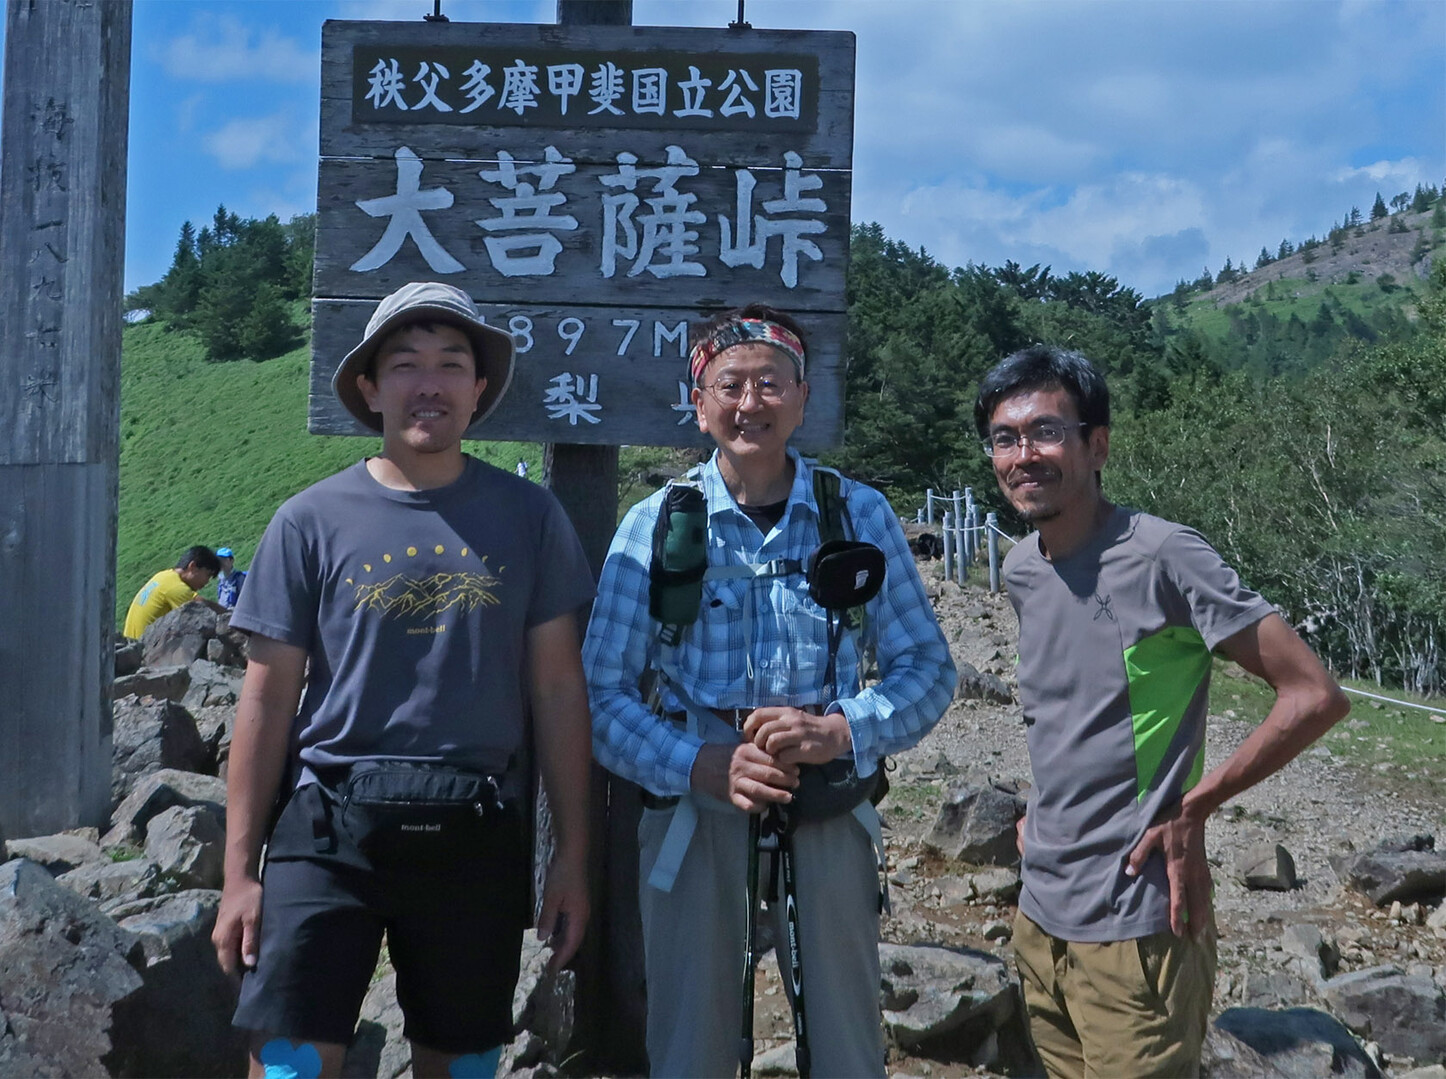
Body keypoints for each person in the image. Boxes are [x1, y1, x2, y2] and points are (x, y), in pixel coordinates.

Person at [212, 281, 595, 1079]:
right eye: (406, 364)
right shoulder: (307, 520)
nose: (431, 383)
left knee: (461, 1066)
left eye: (452, 364)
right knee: (288, 1064)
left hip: (475, 832)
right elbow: (267, 700)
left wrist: (570, 857)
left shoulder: (530, 517)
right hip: (327, 828)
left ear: (479, 388)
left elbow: (559, 693)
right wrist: (239, 873)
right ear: (370, 387)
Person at [585, 303, 957, 1077]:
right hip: (694, 807)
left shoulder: (856, 513)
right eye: (730, 385)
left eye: (770, 383)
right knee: (689, 1046)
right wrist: (697, 762)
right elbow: (601, 695)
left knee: (847, 1045)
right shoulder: (655, 525)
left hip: (827, 798)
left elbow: (927, 667)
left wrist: (841, 729)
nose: (750, 402)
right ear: (700, 404)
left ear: (802, 398)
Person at [974, 344, 1349, 1079]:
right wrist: (1039, 816)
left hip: (1137, 927)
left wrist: (1195, 806)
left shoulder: (1163, 555)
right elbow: (1075, 713)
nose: (1024, 455)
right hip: (1039, 917)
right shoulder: (1022, 568)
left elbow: (1313, 694)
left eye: (1046, 431)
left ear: (1097, 445)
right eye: (1005, 438)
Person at [123, 545, 222, 639]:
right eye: (208, 575)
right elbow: (202, 606)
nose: (207, 582)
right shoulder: (176, 587)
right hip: (143, 646)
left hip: (131, 641)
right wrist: (228, 615)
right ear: (192, 566)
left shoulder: (163, 576)